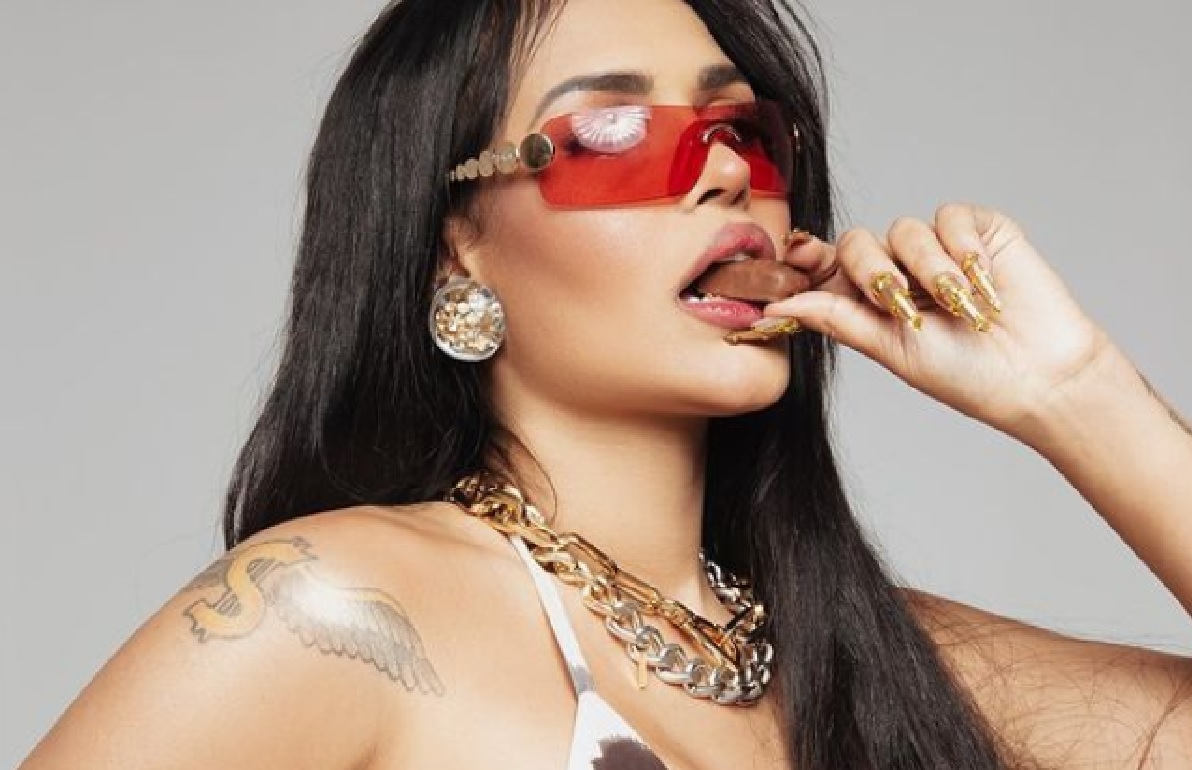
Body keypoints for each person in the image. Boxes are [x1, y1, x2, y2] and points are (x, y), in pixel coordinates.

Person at [18, 0, 1192, 768]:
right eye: (615, 134)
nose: (722, 173)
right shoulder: (335, 610)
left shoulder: (881, 655)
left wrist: (1073, 391)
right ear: (454, 250)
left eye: (746, 132)